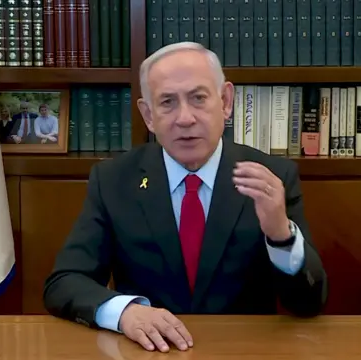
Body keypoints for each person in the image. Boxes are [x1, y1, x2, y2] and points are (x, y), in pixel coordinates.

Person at [43, 42, 328, 352]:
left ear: (226, 101)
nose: (185, 118)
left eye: (198, 98)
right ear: (148, 116)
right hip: (150, 352)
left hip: (244, 351)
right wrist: (125, 312)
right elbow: (64, 282)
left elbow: (309, 303)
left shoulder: (272, 177)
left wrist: (280, 235)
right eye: (168, 102)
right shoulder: (114, 181)